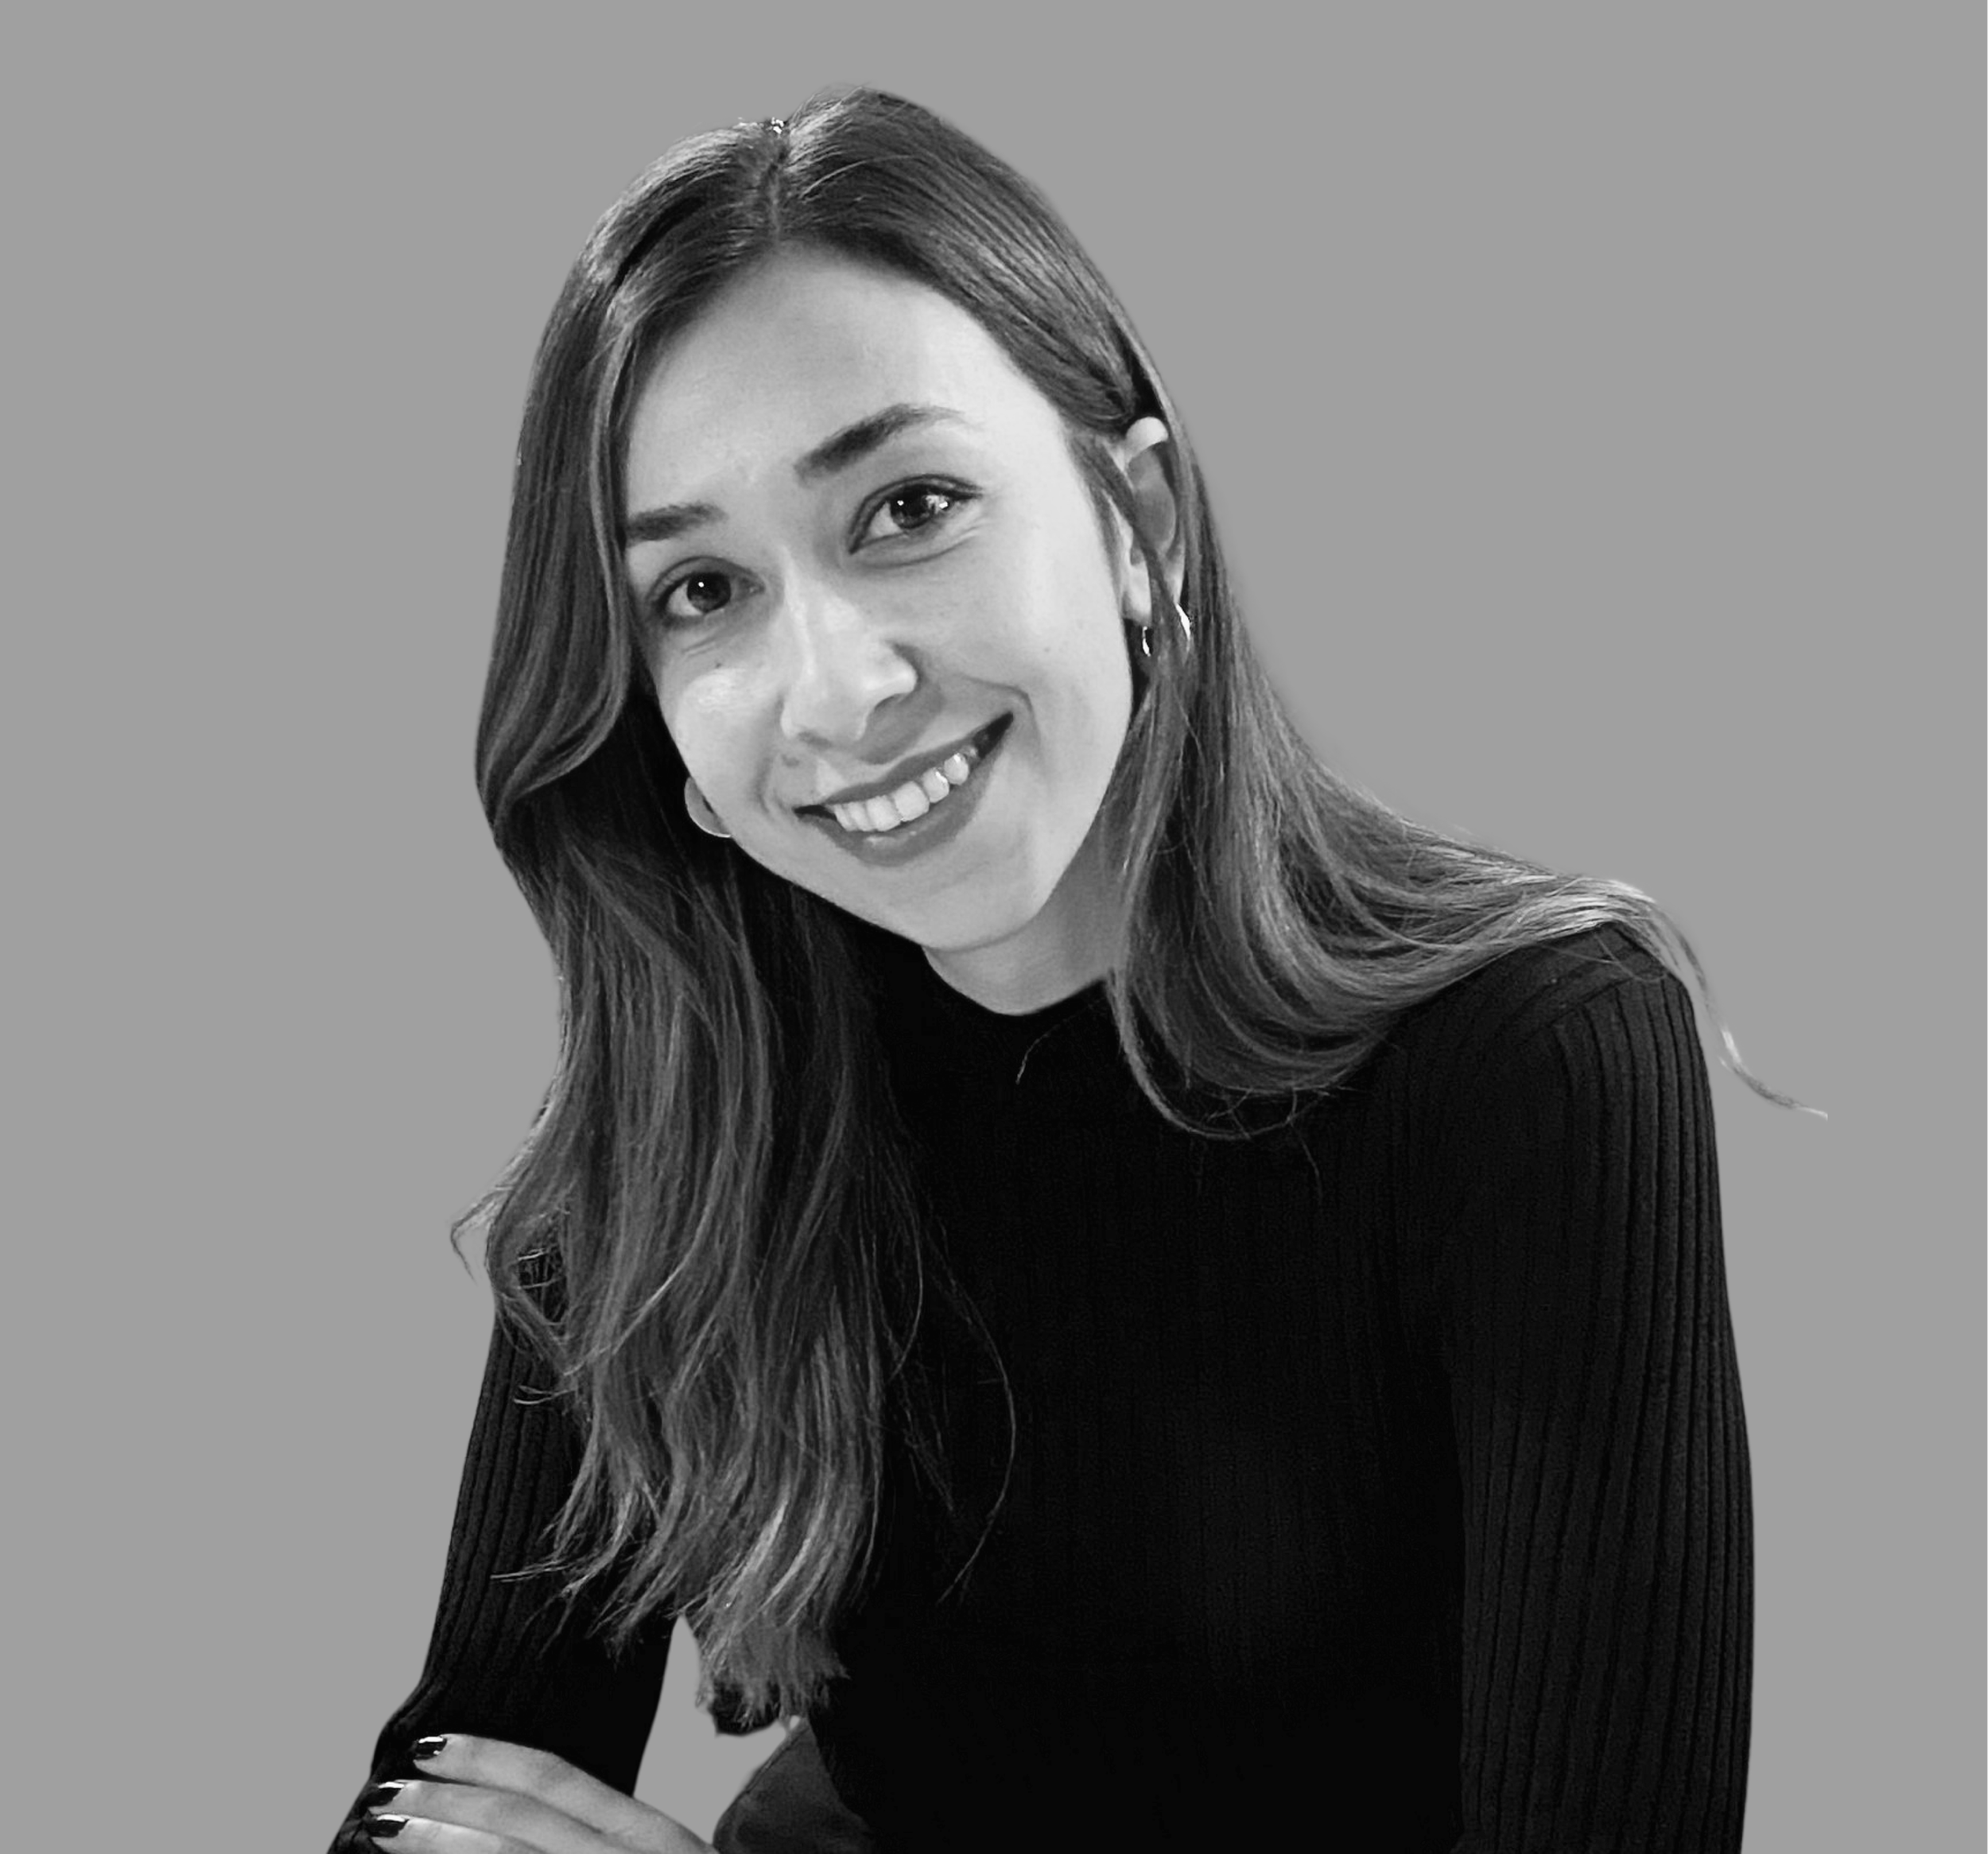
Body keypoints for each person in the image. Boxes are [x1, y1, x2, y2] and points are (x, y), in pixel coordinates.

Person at [328, 83, 1807, 1854]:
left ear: (1139, 528)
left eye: (909, 504)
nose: (836, 688)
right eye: (701, 592)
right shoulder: (687, 1117)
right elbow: (449, 1807)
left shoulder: (1534, 1058)